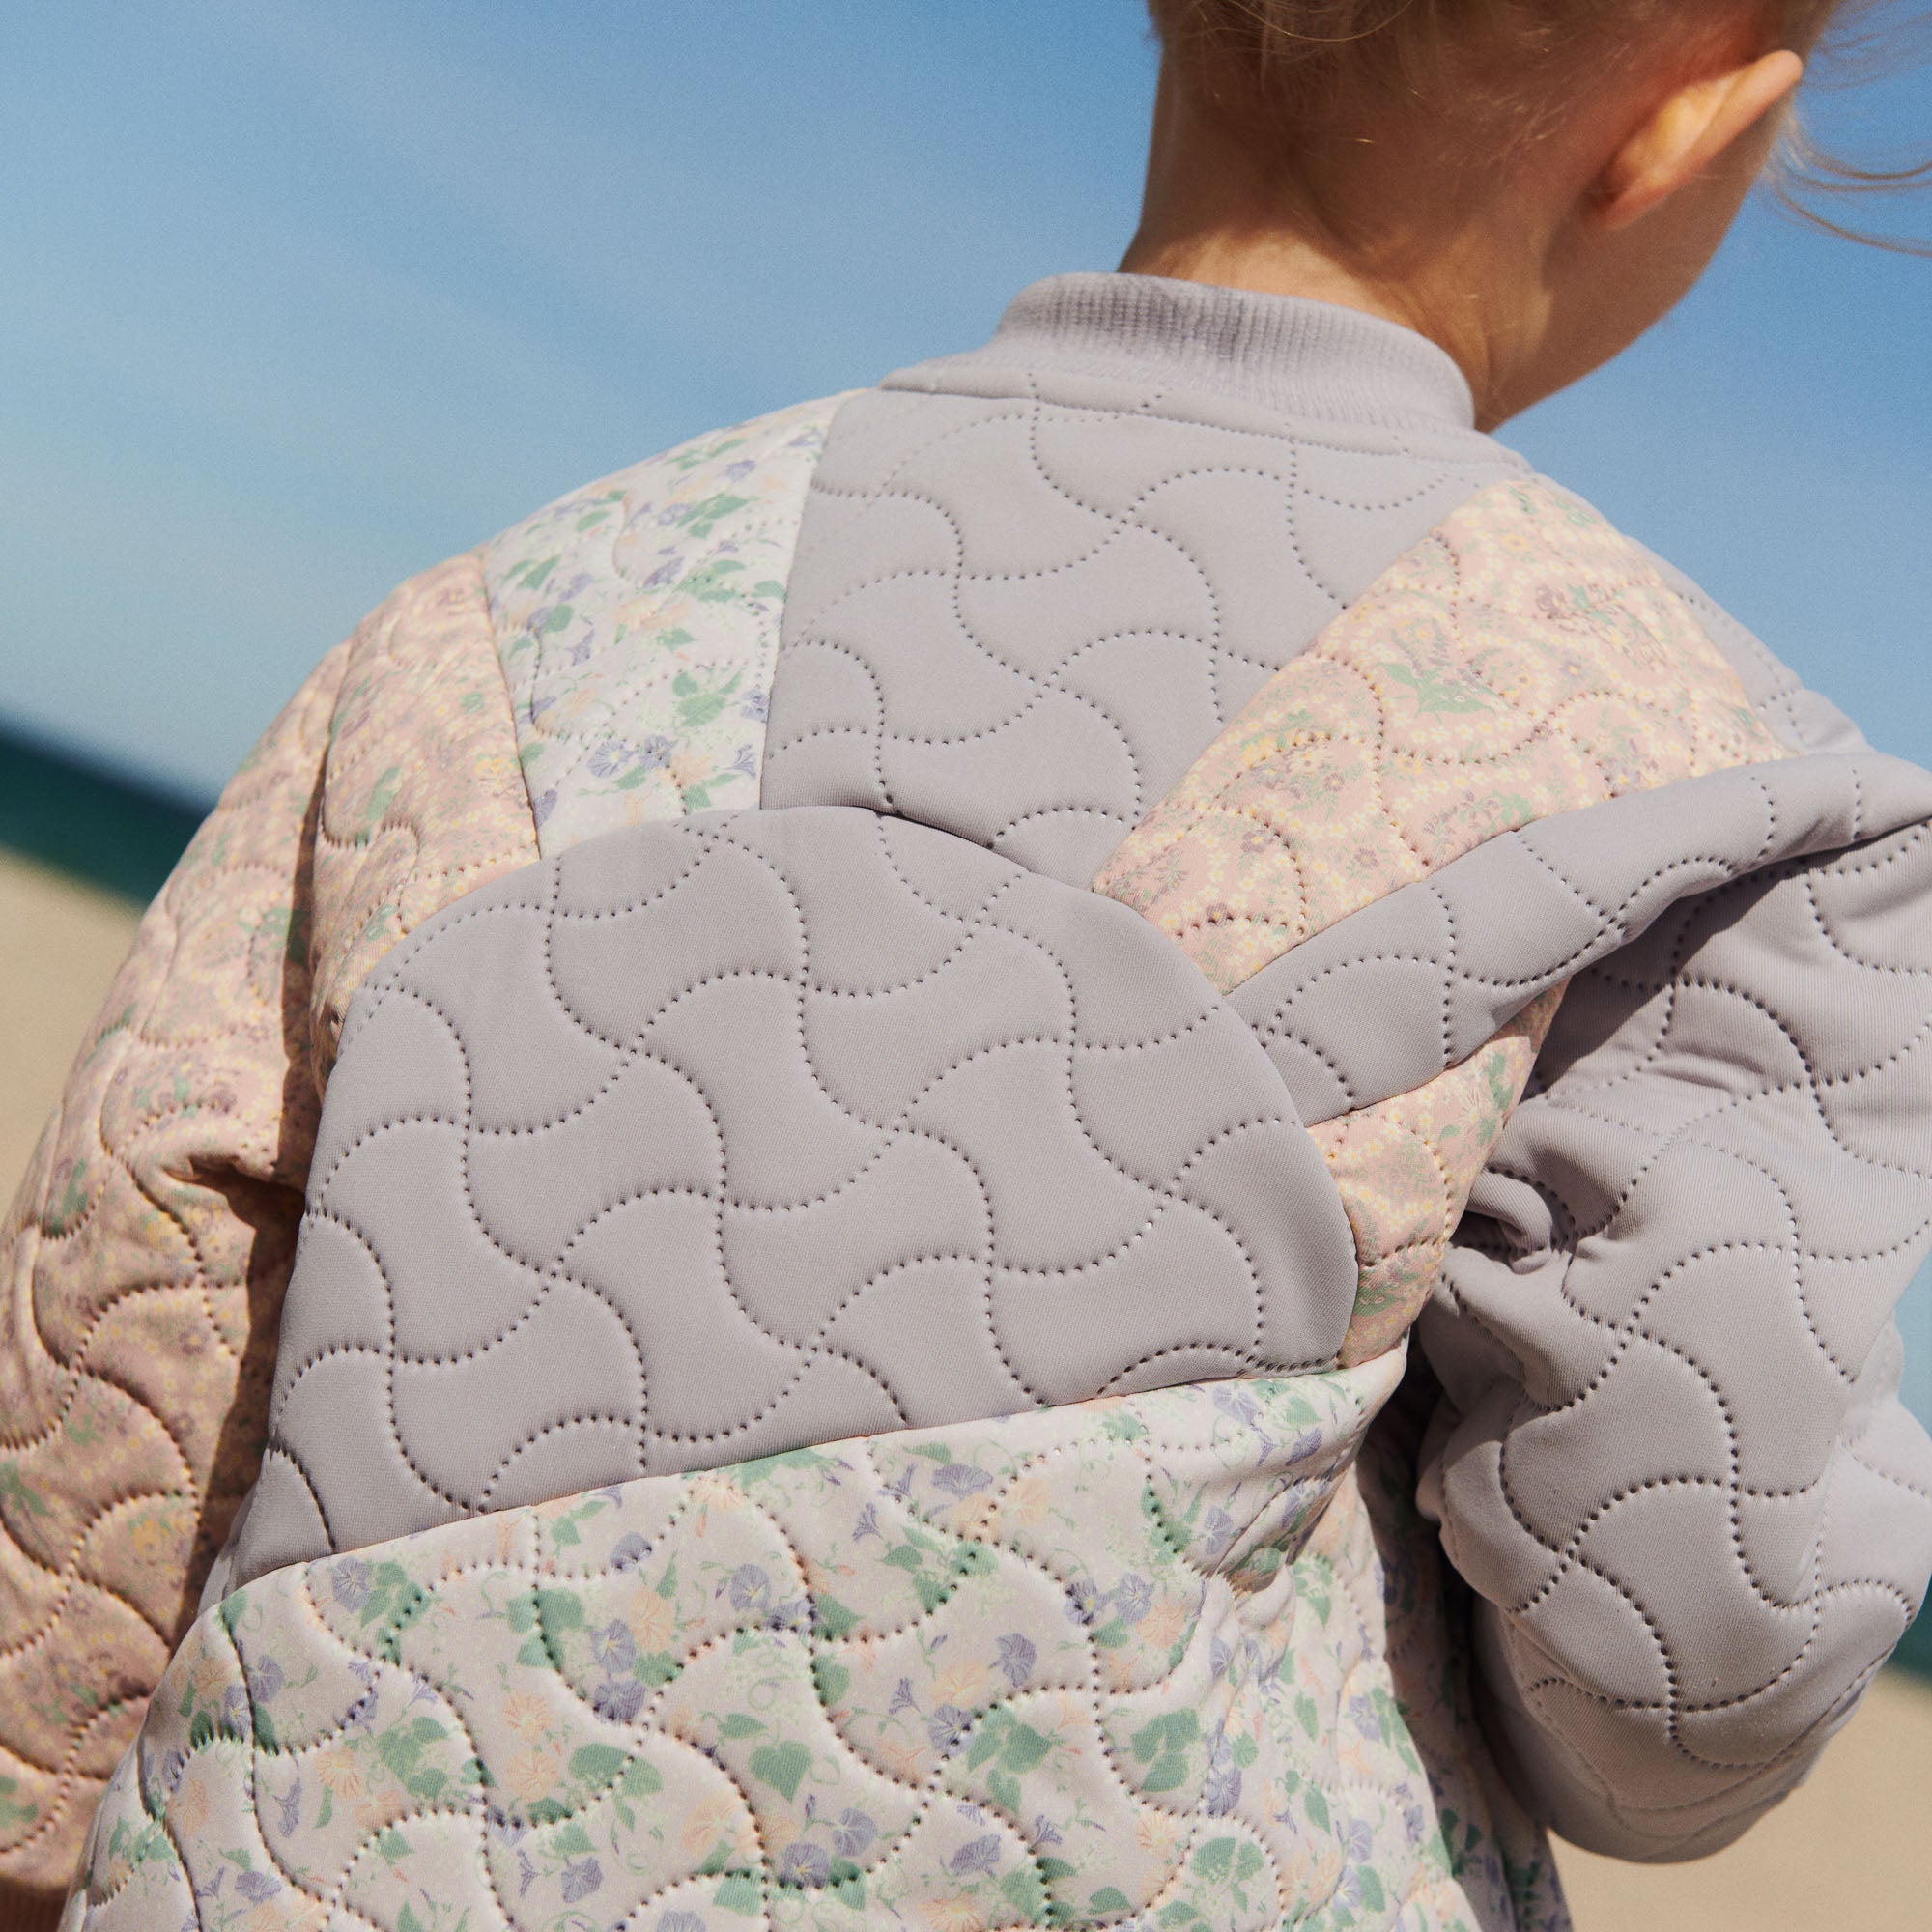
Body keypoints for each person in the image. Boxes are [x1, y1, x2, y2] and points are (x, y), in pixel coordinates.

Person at [8, 5, 1929, 1928]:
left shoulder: (493, 625)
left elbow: (124, 1340)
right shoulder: (1732, 792)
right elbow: (1676, 1682)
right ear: (1687, 131)